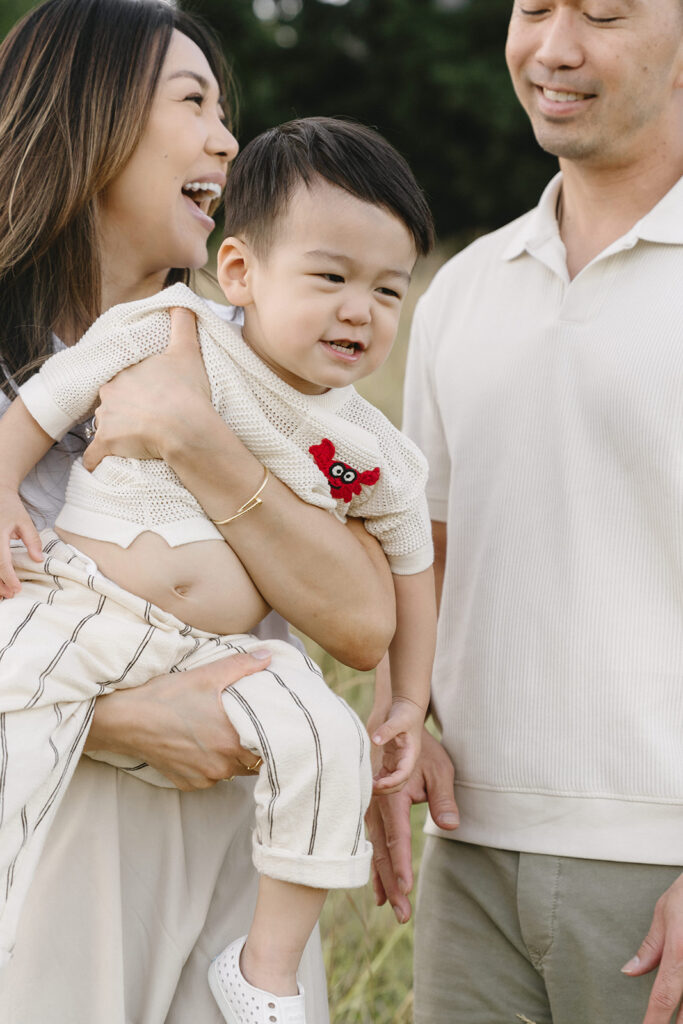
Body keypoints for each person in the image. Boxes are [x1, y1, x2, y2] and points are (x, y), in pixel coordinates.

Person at [0, 3, 396, 1022]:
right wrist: (114, 719)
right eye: (193, 102)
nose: (228, 138)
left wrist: (199, 440)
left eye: (227, 107)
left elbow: (358, 616)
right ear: (88, 124)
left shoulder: (260, 360)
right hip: (58, 847)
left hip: (238, 844)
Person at [367, 1, 683, 1022]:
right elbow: (423, 550)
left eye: (600, 13)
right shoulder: (460, 288)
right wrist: (402, 709)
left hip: (654, 861)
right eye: (533, 7)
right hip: (468, 855)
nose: (552, 47)